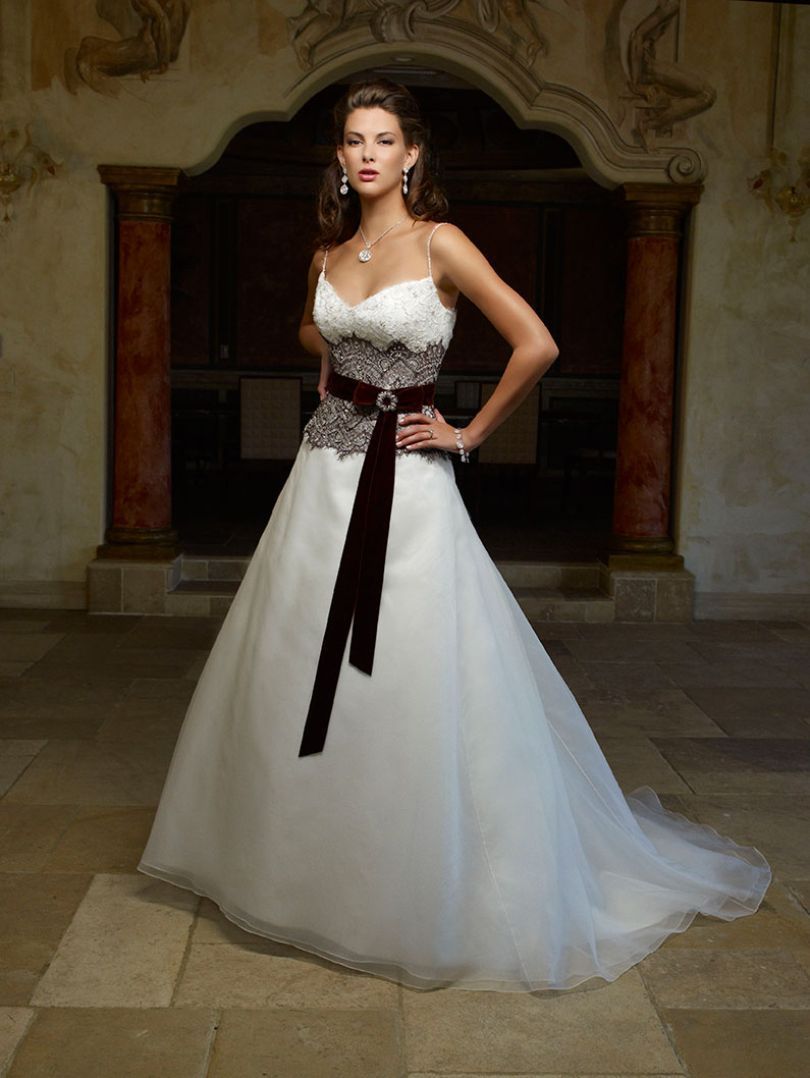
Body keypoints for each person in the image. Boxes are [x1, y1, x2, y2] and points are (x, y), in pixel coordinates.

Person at [138, 78, 771, 993]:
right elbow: (318, 335)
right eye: (353, 140)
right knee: (294, 662)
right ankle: (304, 869)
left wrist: (465, 433)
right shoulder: (330, 250)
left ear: (411, 156)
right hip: (321, 479)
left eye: (383, 139)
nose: (366, 154)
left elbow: (537, 342)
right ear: (342, 157)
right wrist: (344, 383)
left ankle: (416, 882)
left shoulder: (442, 242)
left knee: (407, 670)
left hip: (407, 493)